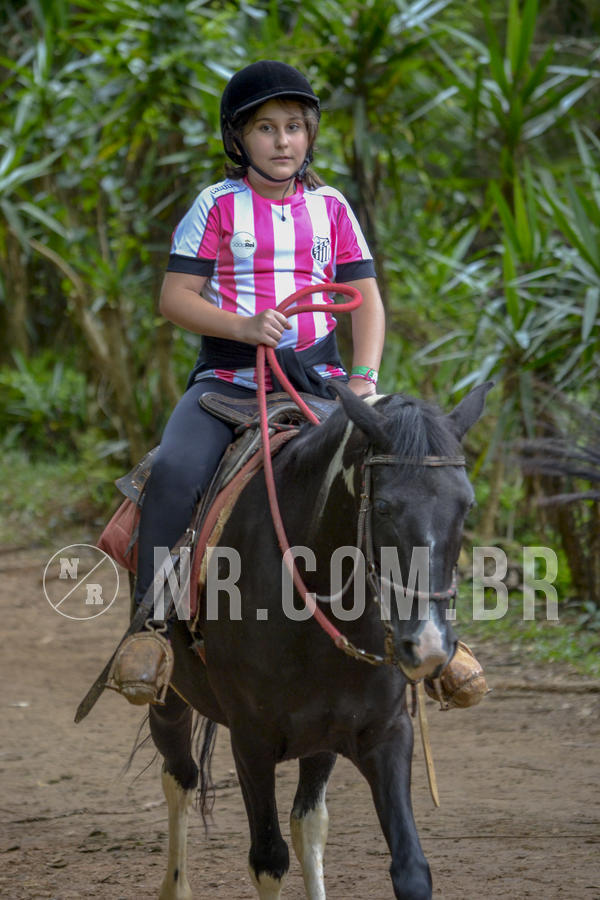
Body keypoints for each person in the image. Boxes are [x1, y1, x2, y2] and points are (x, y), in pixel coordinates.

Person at [114, 60, 483, 709]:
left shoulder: (332, 206)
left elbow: (366, 300)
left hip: (323, 385)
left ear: (309, 135)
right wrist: (243, 323)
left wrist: (365, 382)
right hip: (227, 384)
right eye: (265, 128)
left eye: (294, 127)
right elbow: (174, 298)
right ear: (239, 139)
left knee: (404, 476)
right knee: (173, 471)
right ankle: (151, 629)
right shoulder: (215, 205)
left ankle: (435, 634)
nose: (282, 140)